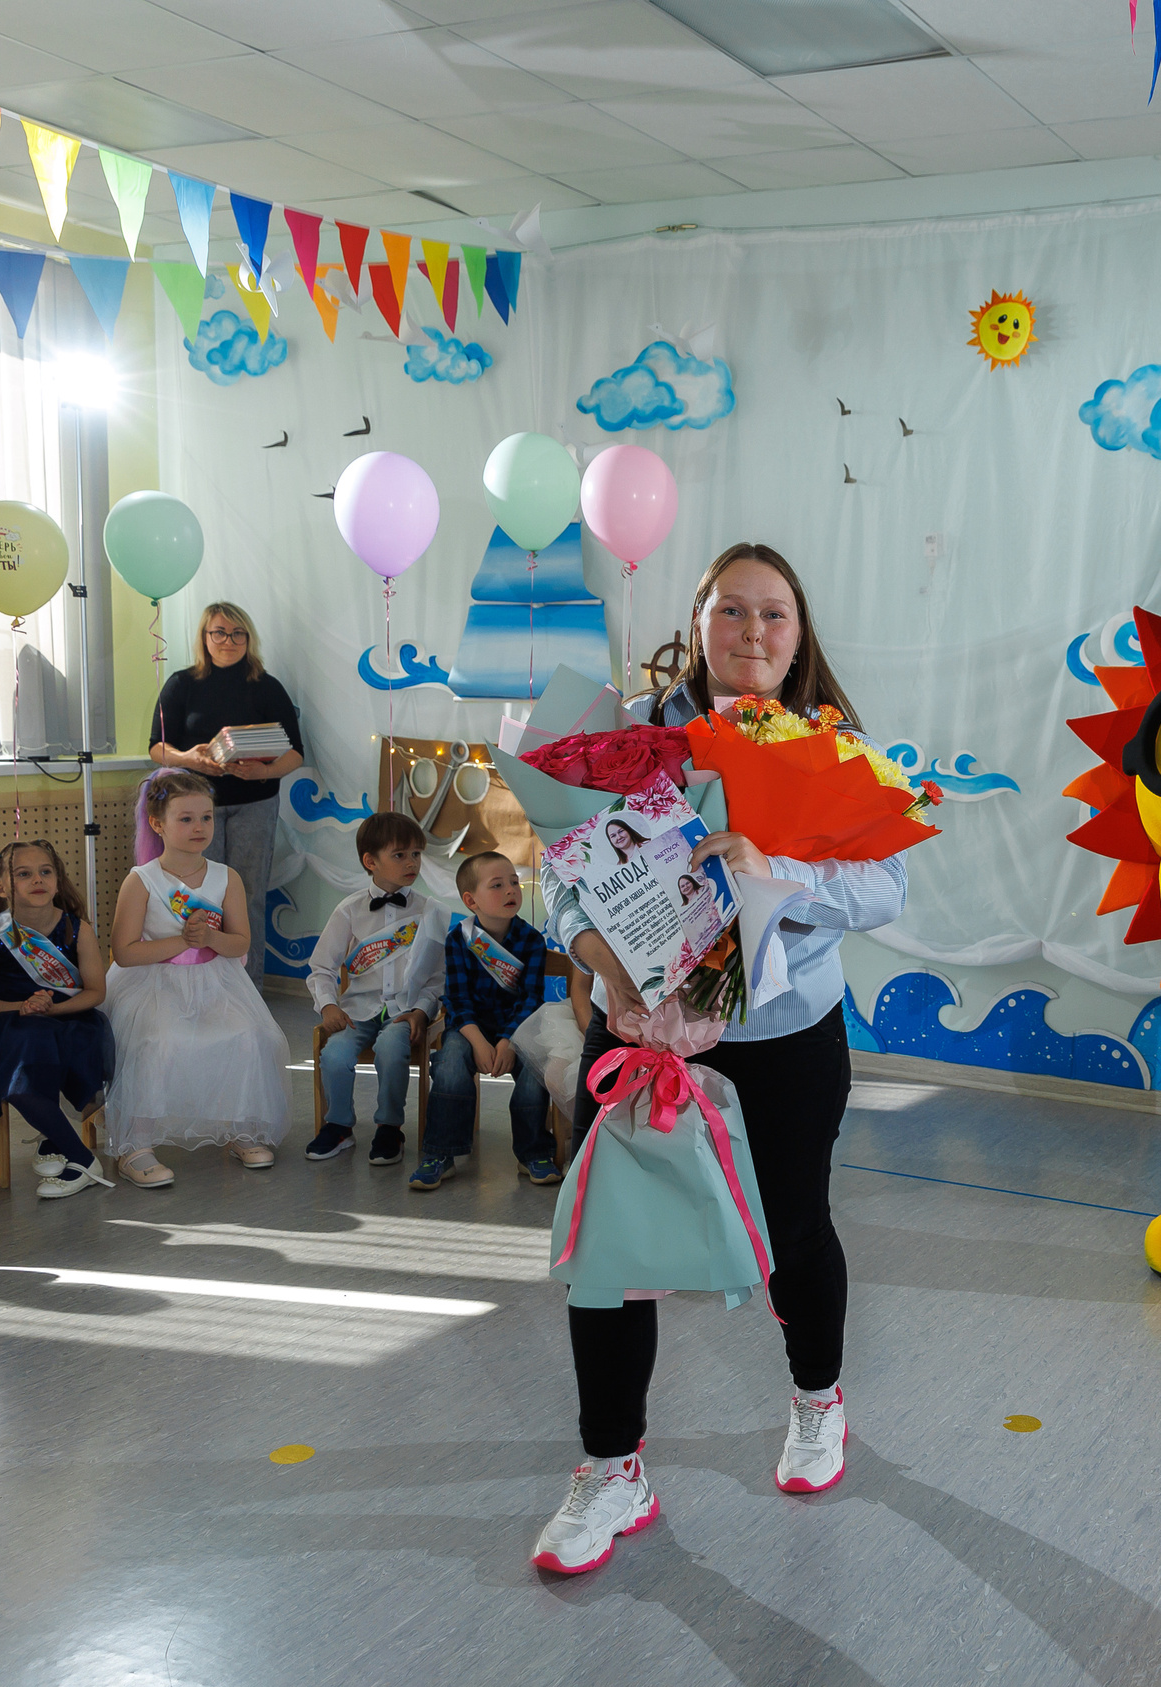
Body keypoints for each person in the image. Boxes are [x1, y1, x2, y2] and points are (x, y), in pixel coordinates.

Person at [533, 542, 907, 1576]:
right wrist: (598, 957)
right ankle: (612, 1470)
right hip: (643, 1039)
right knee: (614, 1261)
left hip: (784, 1041)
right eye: (731, 611)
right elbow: (559, 876)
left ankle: (817, 1401)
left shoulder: (840, 750)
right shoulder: (628, 748)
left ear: (799, 632)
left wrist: (774, 867)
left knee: (795, 1230)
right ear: (696, 619)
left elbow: (887, 892)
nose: (752, 632)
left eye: (773, 614)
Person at [100, 770, 291, 1187]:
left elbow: (240, 943)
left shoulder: (227, 877)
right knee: (158, 1042)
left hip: (216, 981)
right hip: (154, 984)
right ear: (157, 824)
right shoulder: (143, 880)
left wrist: (210, 939)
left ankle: (241, 1128)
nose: (199, 827)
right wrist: (180, 942)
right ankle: (137, 1144)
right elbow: (125, 952)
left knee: (250, 1035)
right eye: (185, 819)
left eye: (206, 817)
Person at [0, 842, 115, 1200]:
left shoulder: (77, 930)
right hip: (8, 1024)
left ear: (57, 879)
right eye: (24, 874)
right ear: (3, 887)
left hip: (68, 1022)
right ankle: (83, 1159)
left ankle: (54, 1140)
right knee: (25, 1050)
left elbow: (95, 991)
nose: (37, 879)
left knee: (38, 1043)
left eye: (45, 871)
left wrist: (50, 1009)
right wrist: (23, 1006)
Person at [147, 601, 303, 985]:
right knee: (195, 895)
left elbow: (296, 754)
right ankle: (199, 982)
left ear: (249, 639)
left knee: (247, 896)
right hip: (195, 808)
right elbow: (156, 748)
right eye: (219, 632)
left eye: (237, 634)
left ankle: (249, 988)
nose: (228, 641)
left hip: (255, 805)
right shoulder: (182, 684)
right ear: (204, 638)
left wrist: (263, 771)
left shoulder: (266, 686)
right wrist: (190, 759)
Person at [304, 812, 445, 1167]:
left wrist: (420, 1011)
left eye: (416, 854)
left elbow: (438, 979)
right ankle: (338, 1125)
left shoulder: (430, 912)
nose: (411, 862)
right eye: (400, 855)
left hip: (404, 1012)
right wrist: (327, 1006)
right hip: (357, 1010)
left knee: (392, 1046)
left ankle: (389, 1127)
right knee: (334, 1055)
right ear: (371, 861)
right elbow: (321, 967)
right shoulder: (349, 911)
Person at [412, 851, 558, 1191]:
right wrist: (478, 1042)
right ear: (470, 900)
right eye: (497, 885)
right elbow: (457, 1001)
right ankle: (440, 1153)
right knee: (448, 1064)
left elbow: (531, 1000)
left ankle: (533, 1152)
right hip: (469, 1027)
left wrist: (508, 1041)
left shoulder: (532, 941)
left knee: (534, 1074)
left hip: (519, 1028)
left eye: (514, 883)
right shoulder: (459, 941)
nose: (510, 890)